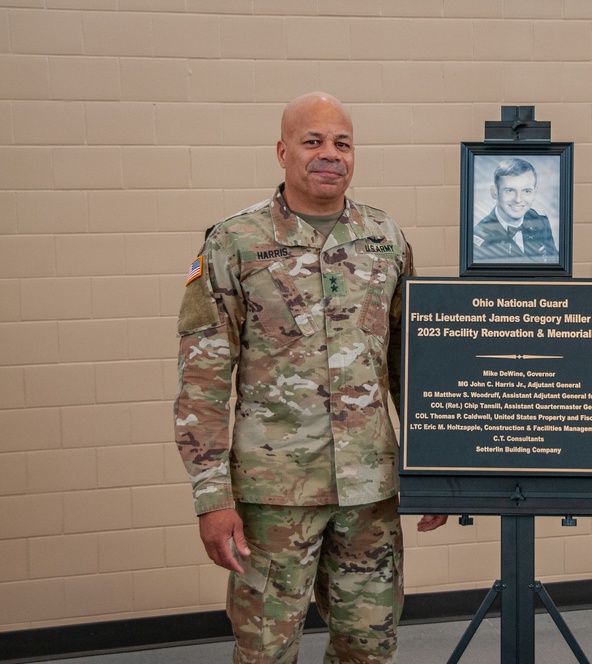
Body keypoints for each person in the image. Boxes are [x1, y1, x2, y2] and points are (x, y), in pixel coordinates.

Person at [174, 91, 445, 664]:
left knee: (368, 648)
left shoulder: (386, 240)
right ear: (282, 151)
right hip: (275, 497)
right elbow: (203, 380)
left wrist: (434, 467)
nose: (330, 154)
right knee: (266, 652)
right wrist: (211, 497)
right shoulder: (234, 243)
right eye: (313, 141)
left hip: (371, 493)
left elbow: (411, 367)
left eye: (342, 143)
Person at [472, 157, 558, 263]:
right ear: (494, 192)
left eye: (526, 191)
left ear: (535, 193)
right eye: (510, 190)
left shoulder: (540, 220)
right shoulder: (479, 239)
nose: (518, 200)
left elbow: (554, 262)